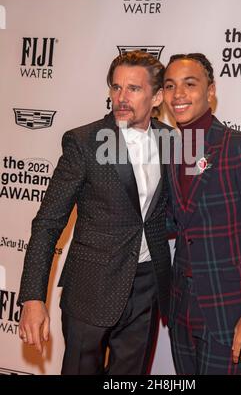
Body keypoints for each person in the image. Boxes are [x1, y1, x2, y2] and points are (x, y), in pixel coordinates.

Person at [18, 50, 173, 375]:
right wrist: (33, 298)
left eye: (134, 88)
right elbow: (47, 224)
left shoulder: (172, 140)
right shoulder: (84, 142)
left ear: (157, 96)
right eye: (116, 87)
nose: (121, 97)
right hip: (91, 288)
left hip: (147, 287)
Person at [163, 53, 241, 375]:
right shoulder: (173, 153)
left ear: (210, 91)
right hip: (180, 313)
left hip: (230, 314)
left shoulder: (239, 147)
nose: (178, 94)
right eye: (170, 86)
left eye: (190, 84)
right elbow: (177, 222)